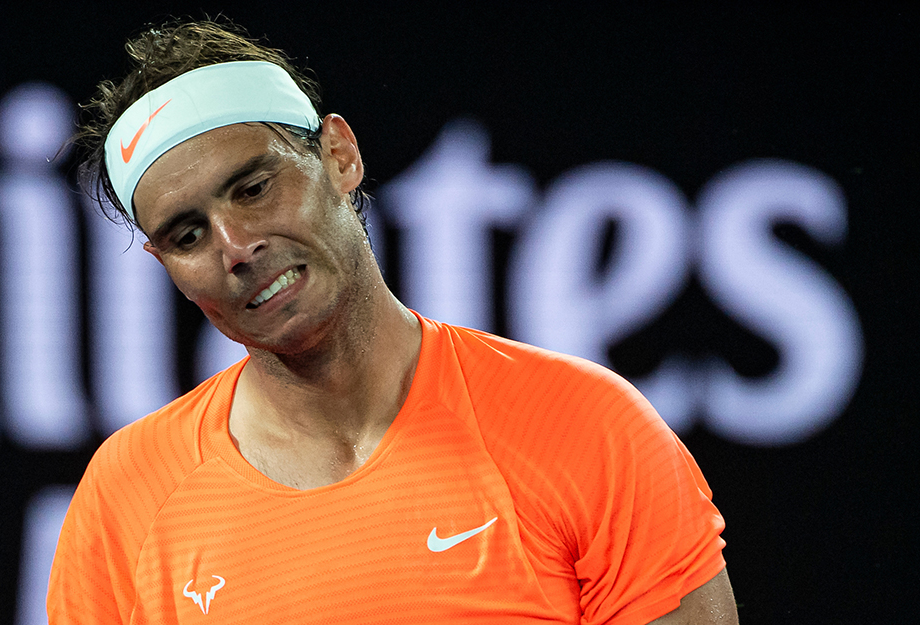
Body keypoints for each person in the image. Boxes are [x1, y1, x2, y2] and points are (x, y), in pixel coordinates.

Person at [48, 18, 737, 625]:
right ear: (163, 262)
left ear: (339, 156)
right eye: (189, 234)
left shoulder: (588, 428)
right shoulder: (127, 498)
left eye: (254, 188)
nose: (235, 247)